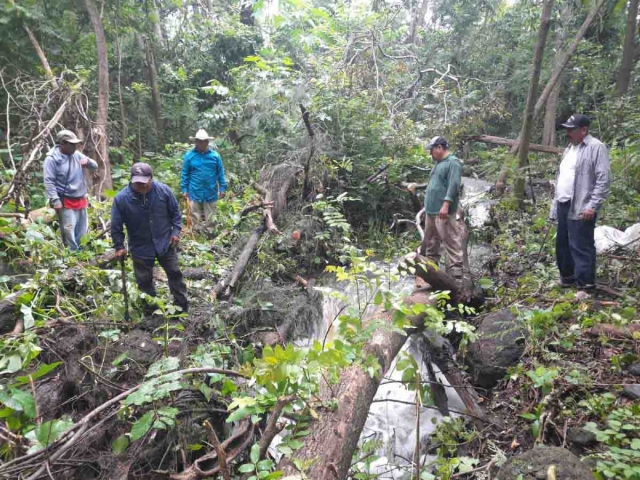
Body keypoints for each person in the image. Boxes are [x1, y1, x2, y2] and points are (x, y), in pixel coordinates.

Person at [111, 163, 188, 313]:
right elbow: (116, 225)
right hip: (140, 246)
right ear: (132, 180)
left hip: (165, 242)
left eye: (144, 183)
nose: (141, 186)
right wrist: (119, 246)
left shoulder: (163, 191)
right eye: (138, 183)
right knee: (144, 281)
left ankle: (181, 307)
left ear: (151, 179)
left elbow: (176, 214)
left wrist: (176, 232)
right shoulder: (121, 199)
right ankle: (151, 312)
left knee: (175, 273)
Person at [550, 114, 610, 298]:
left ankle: (586, 285)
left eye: (571, 129)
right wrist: (555, 205)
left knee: (581, 244)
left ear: (583, 130)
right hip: (564, 202)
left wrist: (592, 205)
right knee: (562, 242)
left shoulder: (596, 147)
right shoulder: (570, 148)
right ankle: (567, 277)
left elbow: (603, 179)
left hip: (582, 204)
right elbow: (562, 177)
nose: (567, 132)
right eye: (567, 129)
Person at [43, 129, 98, 251]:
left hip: (80, 197)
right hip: (65, 199)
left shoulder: (76, 154)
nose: (75, 147)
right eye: (72, 144)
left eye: (75, 144)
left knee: (82, 228)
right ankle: (72, 255)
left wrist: (88, 162)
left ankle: (82, 253)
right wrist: (55, 200)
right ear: (62, 143)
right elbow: (49, 181)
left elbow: (95, 166)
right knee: (68, 229)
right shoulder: (52, 159)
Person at [420, 136, 464, 281]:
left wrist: (446, 204)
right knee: (431, 240)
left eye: (431, 150)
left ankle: (456, 272)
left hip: (443, 210)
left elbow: (454, 185)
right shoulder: (438, 163)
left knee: (450, 238)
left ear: (439, 147)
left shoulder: (453, 163)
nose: (430, 154)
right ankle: (432, 268)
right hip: (431, 210)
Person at [180, 129, 227, 231]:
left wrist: (223, 188)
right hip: (194, 190)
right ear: (196, 142)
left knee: (211, 216)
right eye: (199, 141)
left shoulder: (215, 156)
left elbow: (220, 173)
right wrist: (184, 189)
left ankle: (210, 235)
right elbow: (185, 174)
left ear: (208, 142)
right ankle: (197, 234)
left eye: (204, 141)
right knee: (194, 215)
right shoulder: (189, 156)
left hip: (211, 191)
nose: (202, 143)